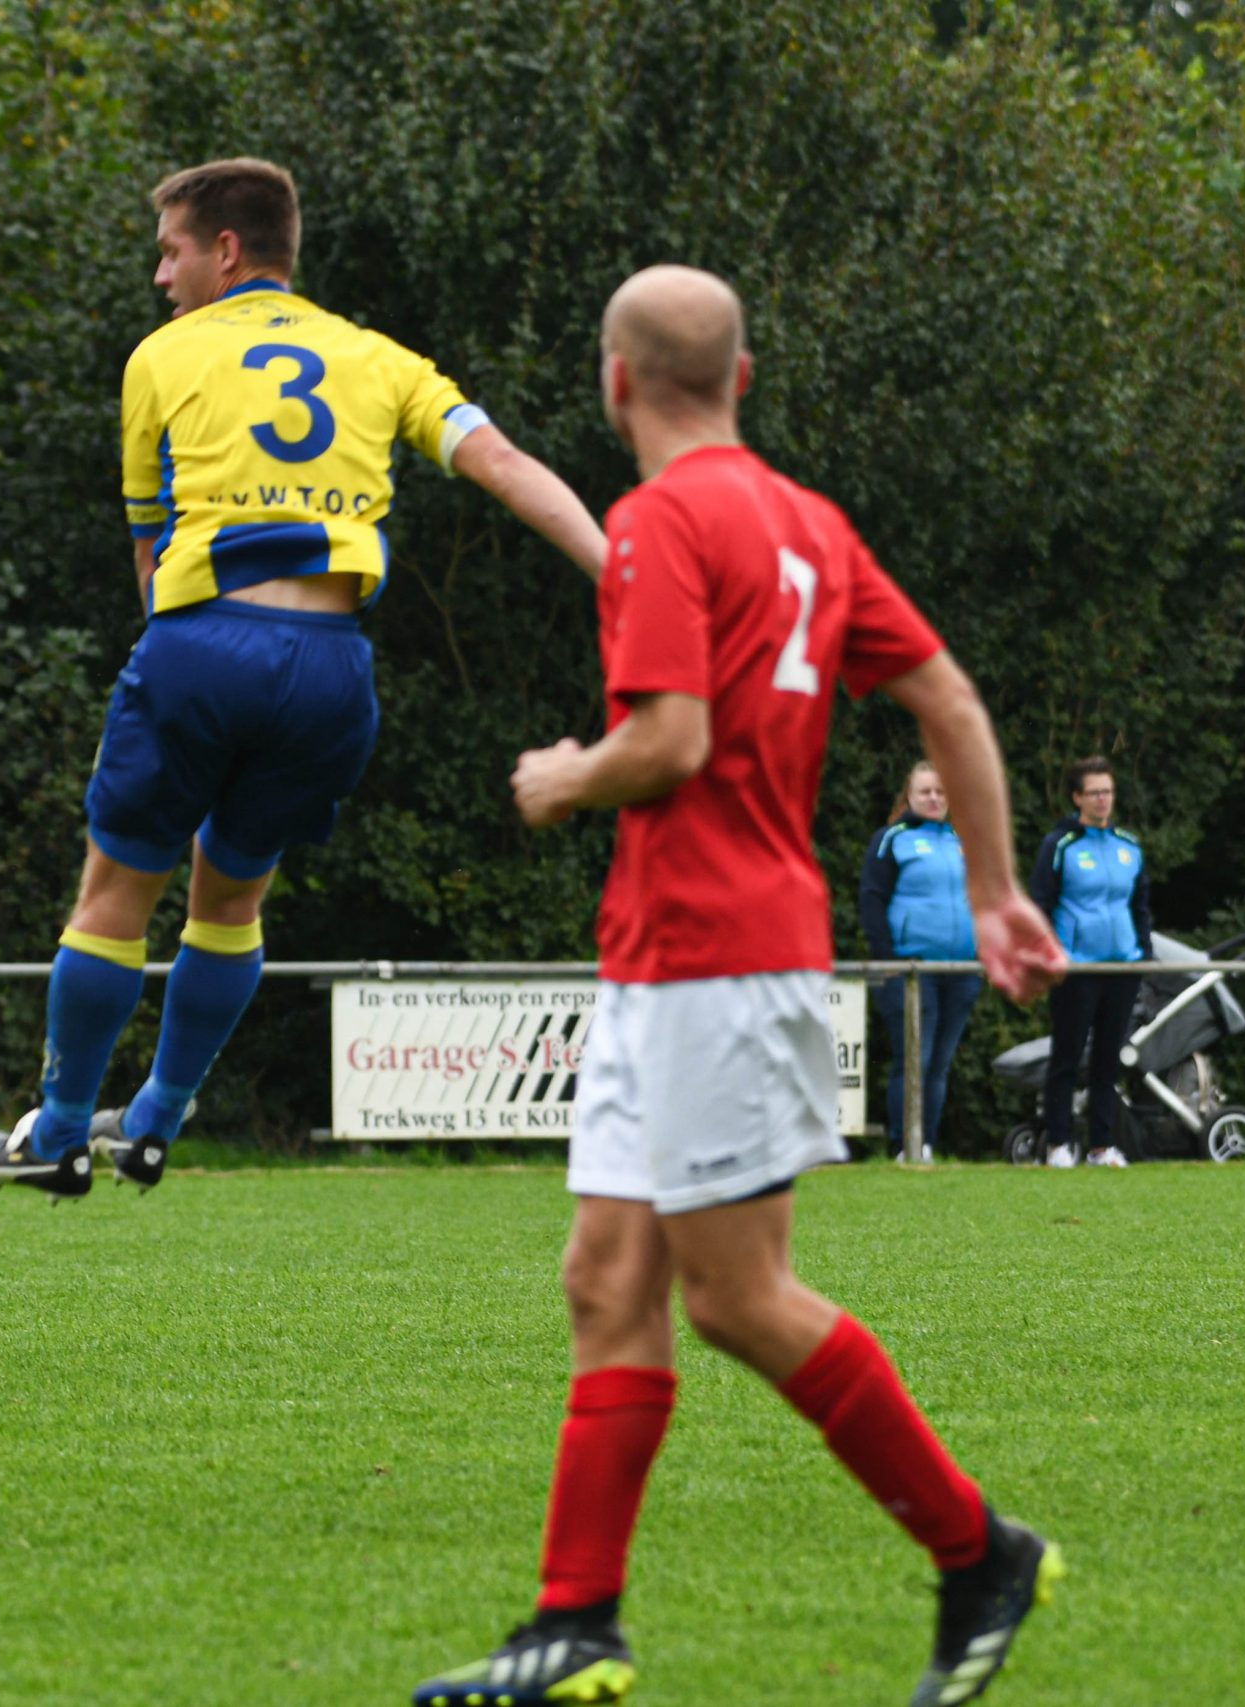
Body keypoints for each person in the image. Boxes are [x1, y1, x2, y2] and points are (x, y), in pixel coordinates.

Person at [412, 268, 1068, 1707]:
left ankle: (979, 1552)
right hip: (670, 955)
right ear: (744, 379)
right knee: (606, 1278)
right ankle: (575, 1623)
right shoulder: (807, 522)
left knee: (736, 1298)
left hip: (722, 951)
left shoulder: (659, 521)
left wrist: (564, 775)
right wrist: (996, 888)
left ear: (613, 384)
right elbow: (949, 699)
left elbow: (671, 739)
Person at [0, 157, 605, 1198]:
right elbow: (503, 465)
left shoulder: (161, 356)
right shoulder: (379, 358)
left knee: (116, 893)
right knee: (230, 902)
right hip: (329, 668)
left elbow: (149, 543)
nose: (160, 276)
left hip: (203, 641)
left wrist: (180, 668)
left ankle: (59, 1129)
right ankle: (156, 1120)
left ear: (224, 250)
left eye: (170, 251)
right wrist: (618, 571)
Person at [1026, 756, 1151, 1168]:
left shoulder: (1129, 845)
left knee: (1108, 1061)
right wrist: (1051, 957)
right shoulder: (1060, 845)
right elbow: (1040, 904)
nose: (1102, 800)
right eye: (1094, 792)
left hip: (1122, 968)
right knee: (1066, 1057)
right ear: (1077, 797)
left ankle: (1102, 1146)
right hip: (1076, 969)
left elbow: (1140, 907)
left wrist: (1143, 953)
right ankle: (1059, 1144)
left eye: (1108, 792)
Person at [860, 760, 983, 1159]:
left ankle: (925, 1143)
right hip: (911, 970)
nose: (933, 798)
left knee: (940, 1064)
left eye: (940, 791)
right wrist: (889, 961)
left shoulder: (962, 840)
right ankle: (904, 1145)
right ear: (909, 796)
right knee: (915, 1059)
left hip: (961, 968)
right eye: (925, 791)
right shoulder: (892, 839)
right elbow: (871, 900)